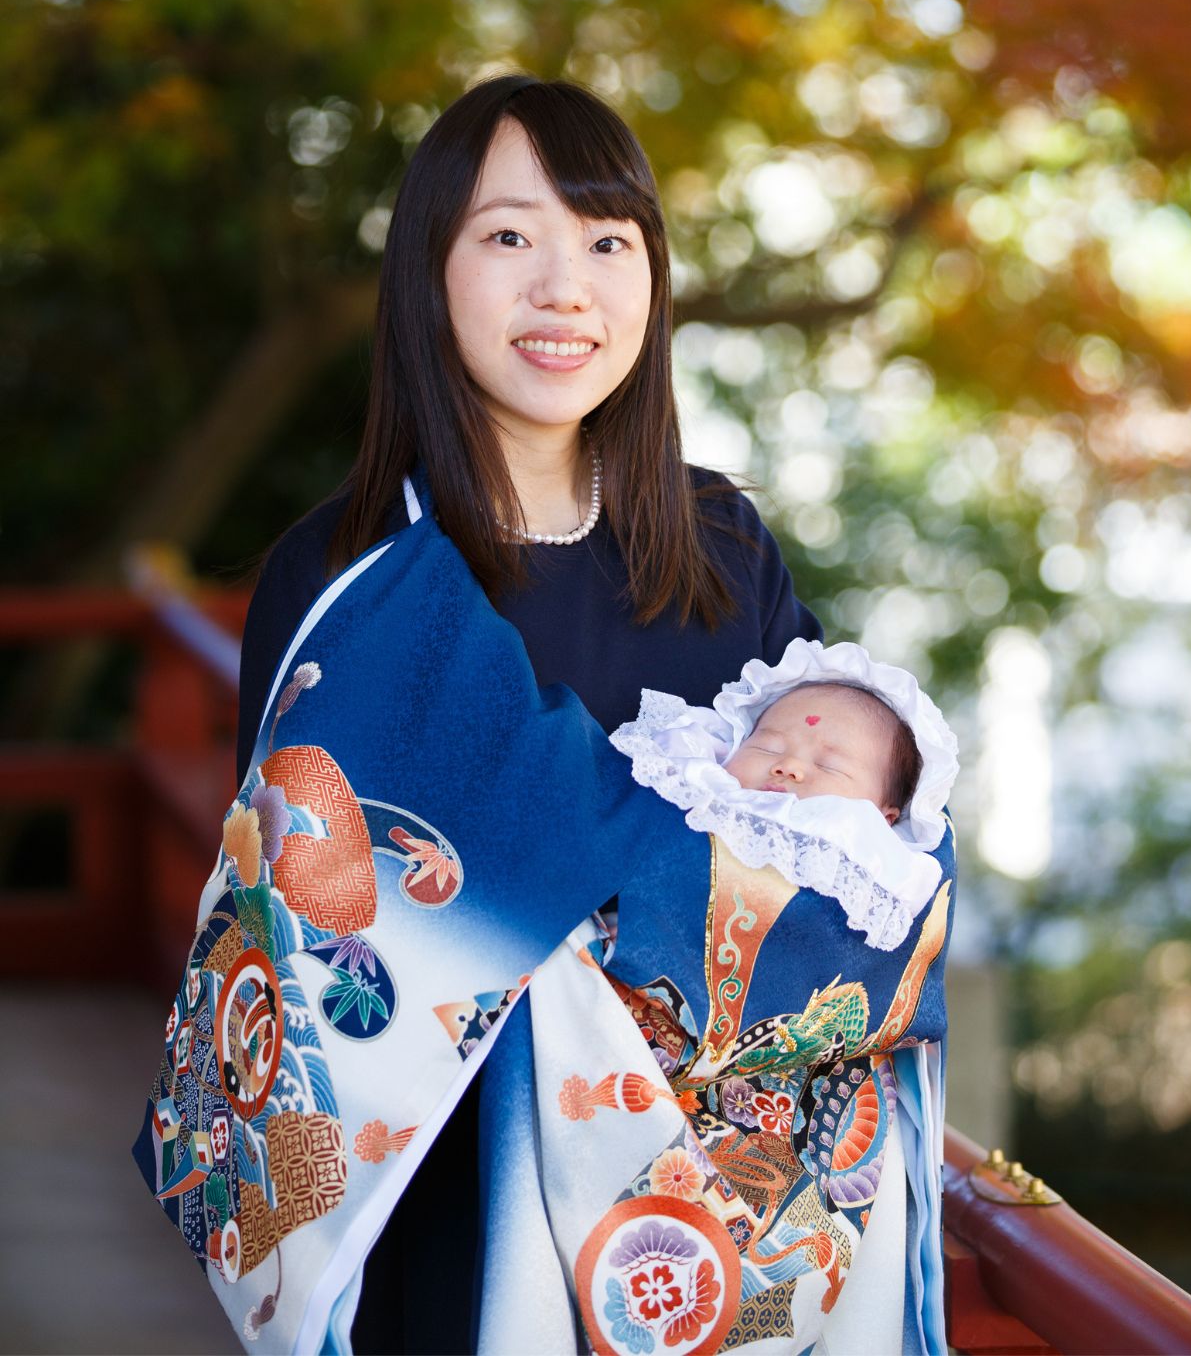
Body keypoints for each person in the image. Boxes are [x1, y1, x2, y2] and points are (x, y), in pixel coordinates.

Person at [232, 72, 822, 1353]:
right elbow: (315, 951)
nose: (568, 288)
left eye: (609, 243)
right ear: (428, 273)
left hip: (708, 1230)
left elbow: (846, 853)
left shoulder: (723, 546)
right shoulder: (346, 579)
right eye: (510, 237)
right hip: (441, 1232)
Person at [609, 635, 960, 951]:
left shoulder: (874, 863)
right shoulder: (698, 787)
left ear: (885, 819)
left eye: (828, 766)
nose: (789, 766)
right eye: (768, 747)